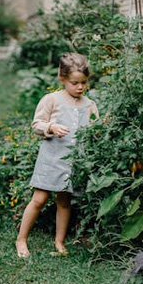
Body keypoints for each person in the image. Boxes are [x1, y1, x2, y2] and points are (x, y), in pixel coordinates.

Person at [15, 53, 98, 258]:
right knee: (40, 199)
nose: (80, 87)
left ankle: (59, 241)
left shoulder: (89, 105)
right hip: (52, 158)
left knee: (64, 201)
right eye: (74, 83)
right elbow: (36, 124)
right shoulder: (52, 99)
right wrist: (51, 126)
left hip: (74, 162)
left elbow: (94, 129)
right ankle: (21, 239)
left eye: (84, 83)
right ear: (62, 79)